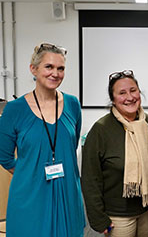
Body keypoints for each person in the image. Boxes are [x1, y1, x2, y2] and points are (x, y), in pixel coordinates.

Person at [0, 43, 85, 236]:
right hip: (30, 195)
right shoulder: (14, 110)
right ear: (34, 69)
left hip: (67, 192)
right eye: (49, 67)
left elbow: (70, 146)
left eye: (60, 68)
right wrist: (30, 173)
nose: (55, 73)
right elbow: (4, 157)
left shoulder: (72, 104)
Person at [81, 70, 148, 237]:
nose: (129, 97)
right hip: (117, 215)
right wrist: (98, 218)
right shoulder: (101, 130)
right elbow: (90, 179)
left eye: (133, 90)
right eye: (122, 93)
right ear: (113, 100)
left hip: (147, 207)